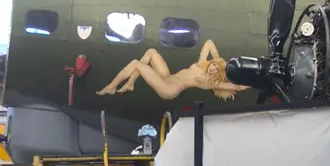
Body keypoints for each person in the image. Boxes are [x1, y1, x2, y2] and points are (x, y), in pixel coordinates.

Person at [96, 40, 248, 101]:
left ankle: (111, 87)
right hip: (167, 77)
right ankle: (130, 83)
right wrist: (219, 59)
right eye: (214, 65)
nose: (213, 68)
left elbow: (236, 87)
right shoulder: (202, 64)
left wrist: (257, 82)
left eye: (216, 69)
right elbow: (208, 43)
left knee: (137, 63)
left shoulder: (209, 82)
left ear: (217, 74)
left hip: (169, 89)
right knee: (151, 52)